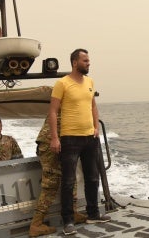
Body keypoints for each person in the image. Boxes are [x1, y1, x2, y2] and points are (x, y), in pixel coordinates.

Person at [49, 49, 111, 236]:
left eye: (89, 60)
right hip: (70, 138)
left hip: (90, 138)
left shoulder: (90, 82)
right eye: (85, 60)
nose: (88, 63)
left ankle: (93, 213)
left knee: (93, 177)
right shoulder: (62, 83)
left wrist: (96, 128)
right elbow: (52, 111)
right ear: (75, 62)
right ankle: (68, 221)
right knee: (69, 181)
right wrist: (54, 137)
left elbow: (93, 106)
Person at [28, 96, 86, 237]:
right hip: (51, 145)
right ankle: (36, 224)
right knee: (51, 185)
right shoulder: (66, 103)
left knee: (70, 178)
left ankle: (73, 213)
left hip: (62, 144)